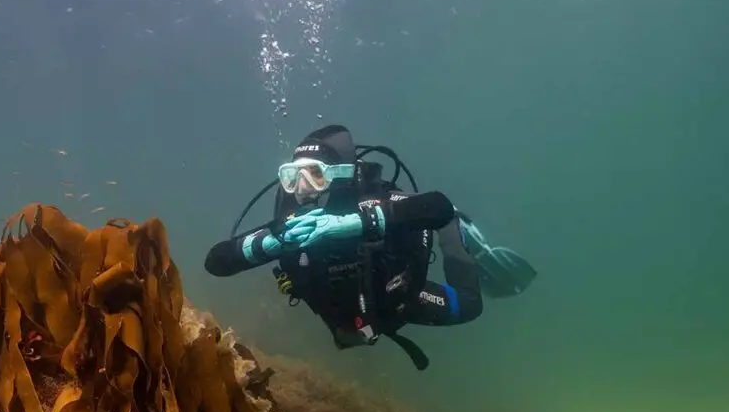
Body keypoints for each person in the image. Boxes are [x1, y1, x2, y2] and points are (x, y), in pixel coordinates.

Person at [204, 124, 536, 370]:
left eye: (315, 176)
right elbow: (216, 262)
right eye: (292, 177)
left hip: (399, 299)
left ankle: (460, 234)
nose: (302, 190)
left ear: (342, 175)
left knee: (469, 305)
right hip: (351, 315)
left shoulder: (374, 200)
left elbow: (437, 206)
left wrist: (358, 222)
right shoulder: (293, 228)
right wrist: (269, 243)